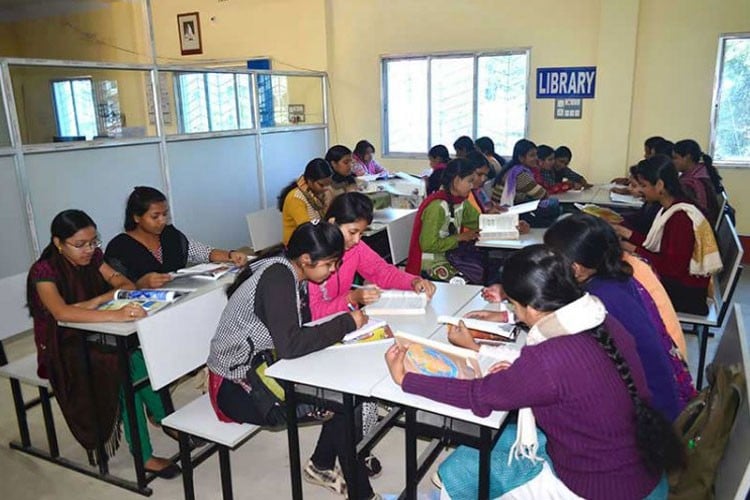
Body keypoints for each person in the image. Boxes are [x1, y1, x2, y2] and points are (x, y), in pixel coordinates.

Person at [386, 245, 682, 499]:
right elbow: (570, 380)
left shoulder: (549, 359)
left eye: (513, 306)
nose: (514, 314)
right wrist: (509, 369)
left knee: (457, 471)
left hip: (593, 487)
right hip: (639, 469)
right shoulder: (599, 318)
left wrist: (406, 379)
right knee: (501, 439)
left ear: (531, 307)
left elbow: (478, 396)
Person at [207, 221, 379, 499]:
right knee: (343, 404)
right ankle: (361, 493)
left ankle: (322, 464)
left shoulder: (287, 269)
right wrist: (347, 323)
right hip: (238, 386)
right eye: (330, 263)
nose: (334, 270)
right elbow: (290, 345)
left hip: (264, 368)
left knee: (348, 393)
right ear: (305, 259)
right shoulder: (278, 278)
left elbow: (295, 333)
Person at [27, 209, 180, 477]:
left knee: (139, 360)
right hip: (62, 345)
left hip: (97, 331)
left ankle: (168, 419)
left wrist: (102, 297)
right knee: (120, 370)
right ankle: (143, 454)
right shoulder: (44, 271)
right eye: (79, 245)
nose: (88, 250)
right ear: (58, 243)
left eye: (93, 242)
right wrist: (107, 306)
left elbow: (123, 283)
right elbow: (62, 314)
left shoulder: (94, 257)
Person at [545, 213, 694, 416]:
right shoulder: (616, 278)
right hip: (661, 396)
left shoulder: (599, 301)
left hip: (646, 416)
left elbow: (560, 349)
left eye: (551, 259)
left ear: (576, 269)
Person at [614, 156, 722, 315]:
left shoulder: (681, 218)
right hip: (680, 283)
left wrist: (630, 248)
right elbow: (658, 246)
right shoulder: (671, 206)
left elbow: (671, 268)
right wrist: (624, 232)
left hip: (686, 294)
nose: (640, 191)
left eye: (643, 185)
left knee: (619, 285)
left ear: (659, 185)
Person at [309, 192, 436, 319]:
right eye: (352, 232)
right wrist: (351, 298)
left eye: (361, 234)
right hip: (321, 327)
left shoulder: (355, 248)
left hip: (347, 320)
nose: (357, 240)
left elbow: (382, 272)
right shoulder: (313, 255)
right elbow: (313, 314)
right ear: (332, 222)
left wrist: (413, 281)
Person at [105, 187, 248, 287]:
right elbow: (118, 288)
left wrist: (231, 255)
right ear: (136, 217)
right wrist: (140, 284)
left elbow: (203, 253)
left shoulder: (170, 234)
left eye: (165, 214)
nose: (162, 220)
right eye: (155, 216)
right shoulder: (119, 248)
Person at [406, 159, 482, 283]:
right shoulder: (437, 206)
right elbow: (428, 245)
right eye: (469, 181)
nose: (472, 186)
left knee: (479, 271)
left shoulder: (460, 201)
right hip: (431, 263)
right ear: (456, 180)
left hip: (450, 256)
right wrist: (459, 238)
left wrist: (511, 225)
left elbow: (479, 221)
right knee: (469, 280)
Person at [278, 158, 334, 245]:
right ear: (310, 181)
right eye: (322, 185)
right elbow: (307, 229)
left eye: (328, 184)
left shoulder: (313, 193)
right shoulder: (296, 198)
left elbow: (322, 219)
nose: (326, 188)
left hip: (313, 239)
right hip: (297, 245)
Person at [672, 139, 722, 225]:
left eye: (675, 158)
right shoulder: (702, 171)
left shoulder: (691, 183)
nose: (673, 162)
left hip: (702, 227)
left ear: (688, 157)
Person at [491, 139, 547, 206]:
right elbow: (542, 194)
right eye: (532, 155)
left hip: (504, 207)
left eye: (536, 155)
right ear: (521, 158)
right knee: (552, 203)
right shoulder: (519, 174)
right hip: (506, 210)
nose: (536, 158)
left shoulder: (511, 168)